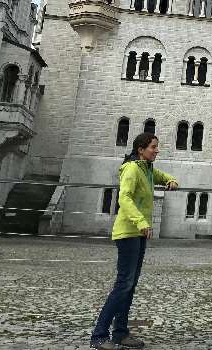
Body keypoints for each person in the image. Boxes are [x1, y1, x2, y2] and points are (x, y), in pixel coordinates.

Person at [90, 133, 178, 350]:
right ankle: (99, 336)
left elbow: (158, 175)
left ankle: (120, 333)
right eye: (153, 147)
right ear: (141, 149)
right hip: (129, 232)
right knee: (123, 285)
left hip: (138, 233)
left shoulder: (146, 169)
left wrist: (169, 179)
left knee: (130, 285)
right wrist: (140, 221)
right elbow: (124, 198)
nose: (157, 150)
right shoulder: (131, 169)